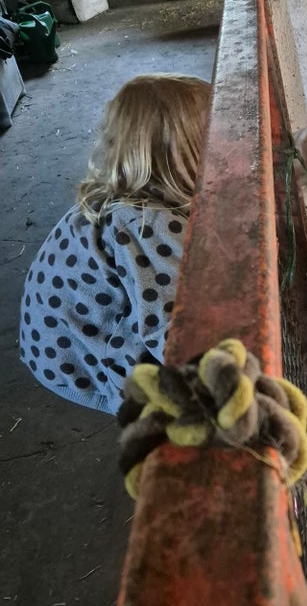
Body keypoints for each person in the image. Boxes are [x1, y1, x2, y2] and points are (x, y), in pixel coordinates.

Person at [19, 73, 211, 415]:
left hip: (55, 340)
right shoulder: (146, 222)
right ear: (181, 155)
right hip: (79, 359)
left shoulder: (128, 196)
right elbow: (176, 337)